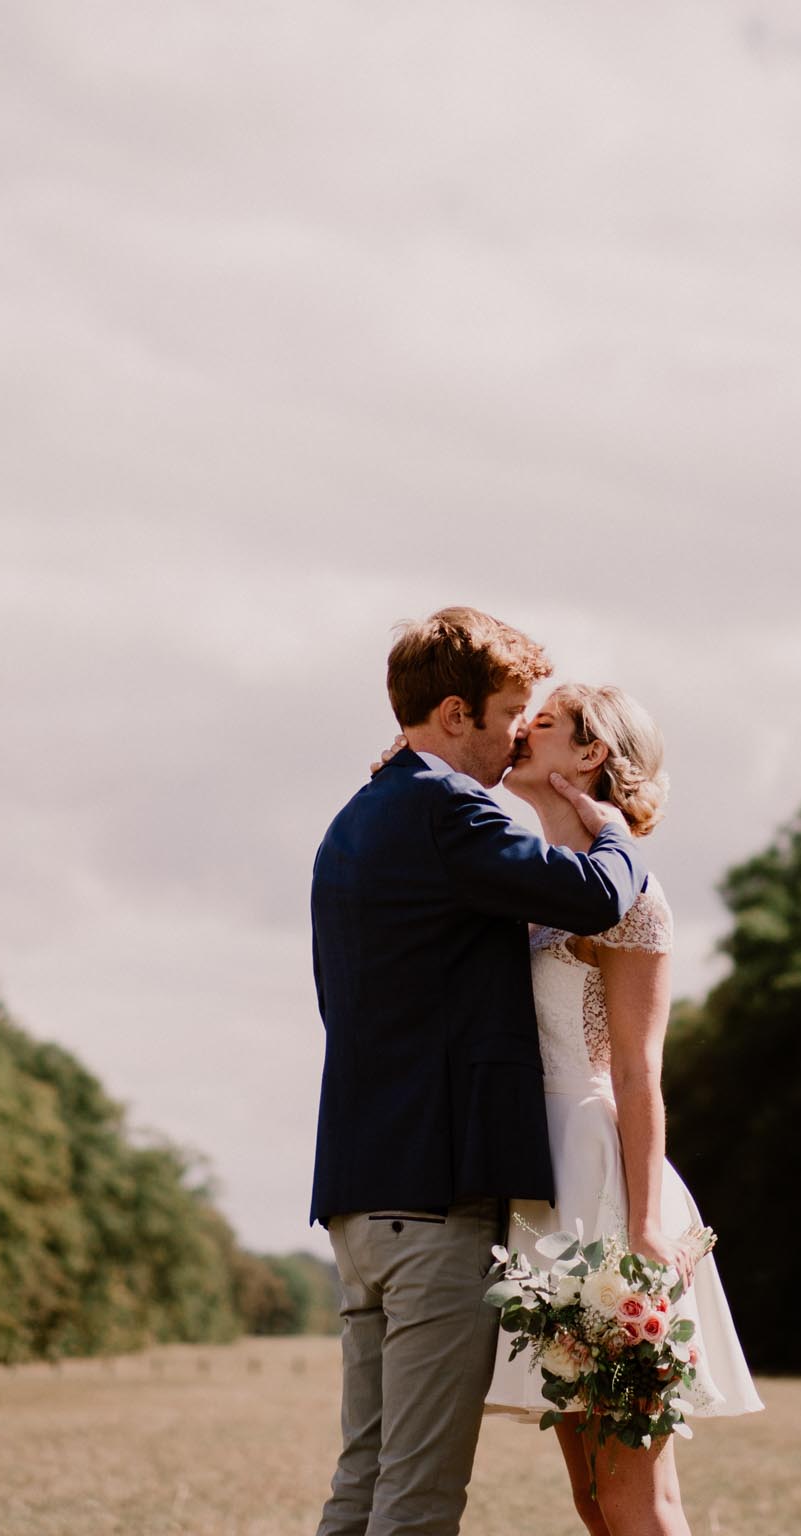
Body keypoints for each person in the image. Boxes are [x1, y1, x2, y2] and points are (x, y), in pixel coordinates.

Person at [310, 608, 646, 1536]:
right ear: (455, 713)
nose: (514, 735)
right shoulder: (444, 808)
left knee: (363, 1482)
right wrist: (612, 832)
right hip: (434, 1200)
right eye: (507, 712)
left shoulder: (356, 818)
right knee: (416, 1502)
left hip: (358, 1194)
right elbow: (593, 893)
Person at [484, 682, 760, 1536]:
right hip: (541, 1194)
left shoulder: (634, 900)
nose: (521, 729)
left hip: (605, 1192)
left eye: (547, 724)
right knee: (591, 1495)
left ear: (591, 756)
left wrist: (644, 1229)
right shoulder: (534, 894)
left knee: (639, 1494)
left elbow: (640, 1076)